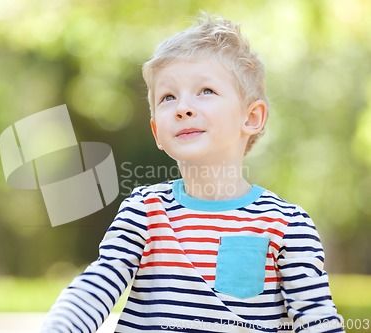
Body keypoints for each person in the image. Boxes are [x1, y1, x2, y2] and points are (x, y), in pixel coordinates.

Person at [40, 12, 344, 333]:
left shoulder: (287, 225)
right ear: (157, 131)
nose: (183, 107)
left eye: (206, 91)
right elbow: (97, 285)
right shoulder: (144, 211)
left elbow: (317, 320)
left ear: (251, 117)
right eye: (168, 97)